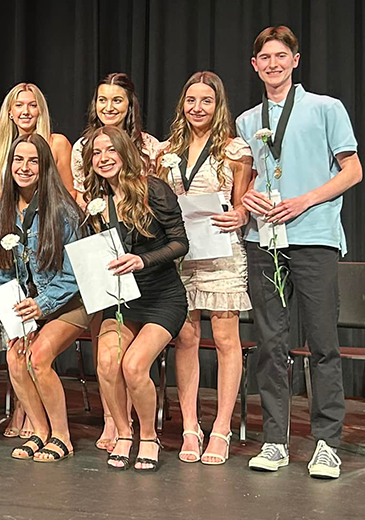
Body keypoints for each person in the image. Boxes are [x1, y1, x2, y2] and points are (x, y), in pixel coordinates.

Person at [236, 25, 362, 479]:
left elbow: (353, 170)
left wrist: (306, 199)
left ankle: (327, 442)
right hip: (264, 240)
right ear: (255, 66)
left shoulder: (326, 108)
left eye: (280, 56)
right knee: (271, 344)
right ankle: (275, 439)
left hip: (313, 236)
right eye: (264, 58)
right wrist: (246, 196)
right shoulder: (247, 121)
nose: (272, 64)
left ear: (295, 60)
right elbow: (247, 180)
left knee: (323, 343)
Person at [156, 72, 253, 464]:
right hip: (180, 254)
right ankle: (191, 427)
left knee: (227, 339)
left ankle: (222, 429)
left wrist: (241, 214)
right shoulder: (166, 153)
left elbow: (244, 203)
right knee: (187, 339)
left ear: (218, 106)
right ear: (183, 104)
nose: (198, 107)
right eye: (191, 100)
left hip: (221, 253)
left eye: (206, 101)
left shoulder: (235, 150)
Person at [84, 126, 188, 471]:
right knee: (106, 364)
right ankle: (124, 433)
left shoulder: (152, 189)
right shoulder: (96, 203)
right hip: (122, 300)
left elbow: (179, 243)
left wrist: (143, 260)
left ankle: (148, 436)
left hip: (162, 297)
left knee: (133, 365)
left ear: (125, 152)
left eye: (110, 150)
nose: (103, 158)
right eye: (97, 153)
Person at [0, 133, 89, 462]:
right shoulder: (1, 210)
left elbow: (74, 275)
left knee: (38, 357)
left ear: (44, 165)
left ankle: (62, 436)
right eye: (18, 160)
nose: (25, 166)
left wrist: (41, 305)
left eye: (33, 160)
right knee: (14, 356)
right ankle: (39, 430)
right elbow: (4, 272)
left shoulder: (63, 210)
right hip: (30, 304)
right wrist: (16, 317)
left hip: (69, 302)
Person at [71, 73, 161, 202]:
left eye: (117, 101)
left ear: (129, 104)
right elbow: (82, 197)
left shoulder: (149, 145)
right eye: (102, 100)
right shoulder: (82, 147)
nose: (108, 108)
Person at [0, 83, 73, 194]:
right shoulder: (1, 144)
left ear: (40, 111)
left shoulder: (57, 143)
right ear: (10, 112)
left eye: (33, 105)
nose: (25, 112)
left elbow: (70, 192)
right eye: (19, 105)